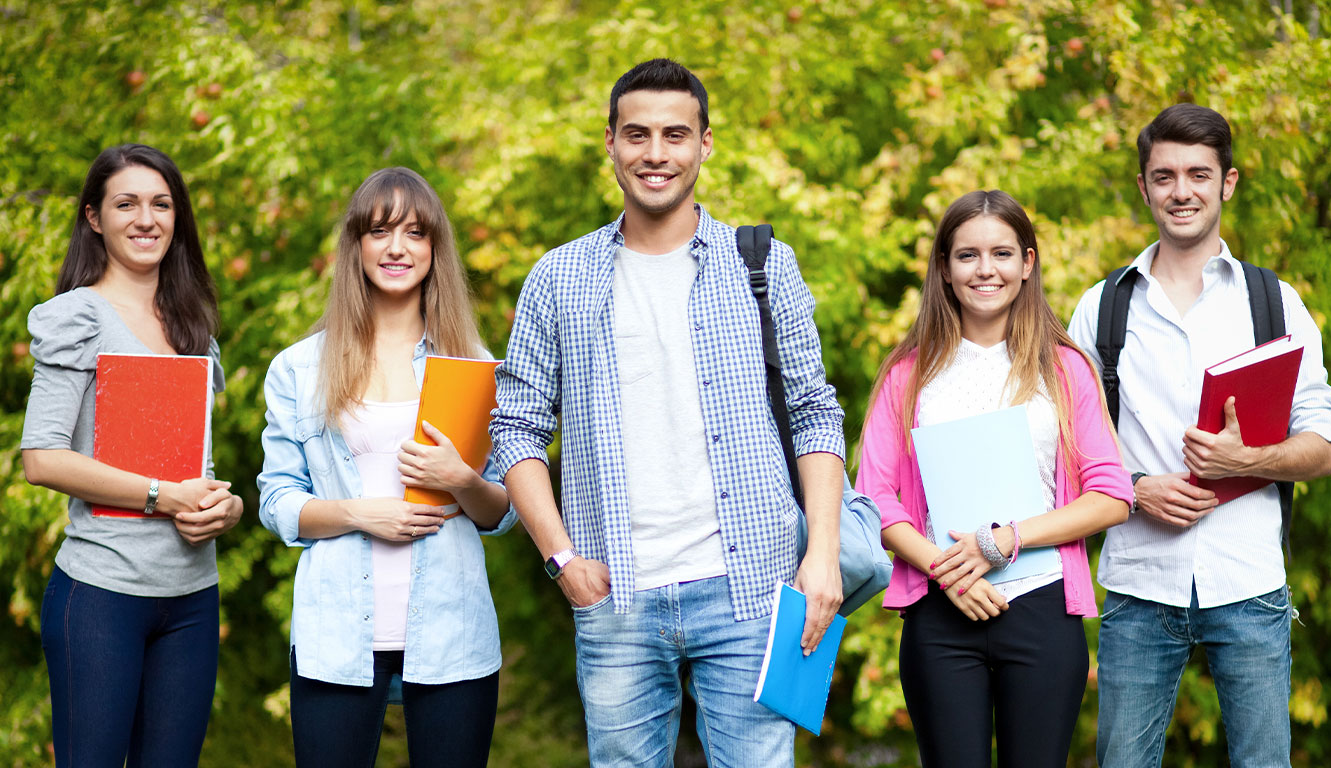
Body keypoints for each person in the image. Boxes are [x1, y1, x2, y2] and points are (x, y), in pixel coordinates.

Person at [489, 58, 845, 766]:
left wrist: (824, 556)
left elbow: (814, 412)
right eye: (638, 135)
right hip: (614, 593)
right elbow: (516, 426)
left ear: (705, 144)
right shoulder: (559, 276)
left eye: (675, 135)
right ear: (611, 143)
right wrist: (563, 561)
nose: (657, 154)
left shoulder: (765, 264)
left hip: (750, 589)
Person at [1068, 104, 1331, 767]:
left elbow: (1325, 448)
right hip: (1138, 585)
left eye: (1198, 173)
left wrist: (1250, 458)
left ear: (1229, 183)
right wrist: (1134, 490)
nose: (1181, 191)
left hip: (1248, 581)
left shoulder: (1273, 303)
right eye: (1164, 176)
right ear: (1143, 187)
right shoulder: (1101, 307)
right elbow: (1063, 451)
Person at [857, 190, 1132, 768]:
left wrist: (1004, 540)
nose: (986, 270)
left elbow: (1112, 495)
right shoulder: (907, 375)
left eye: (1002, 254)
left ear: (1027, 264)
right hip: (939, 610)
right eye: (968, 256)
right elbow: (875, 499)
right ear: (944, 270)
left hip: (1042, 609)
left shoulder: (1065, 368)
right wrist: (945, 569)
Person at [257, 167, 515, 768]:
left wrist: (462, 480)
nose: (397, 248)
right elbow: (276, 502)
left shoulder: (477, 368)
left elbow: (503, 511)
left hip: (454, 634)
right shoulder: (299, 369)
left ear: (434, 250)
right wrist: (358, 514)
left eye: (415, 233)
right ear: (356, 246)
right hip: (335, 637)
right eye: (379, 232)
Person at [20, 144, 243, 767]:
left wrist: (223, 507)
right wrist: (160, 496)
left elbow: (192, 468)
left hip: (194, 597)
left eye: (161, 204)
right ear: (94, 218)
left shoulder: (192, 324)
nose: (146, 219)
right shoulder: (78, 317)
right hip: (101, 594)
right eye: (126, 203)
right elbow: (41, 459)